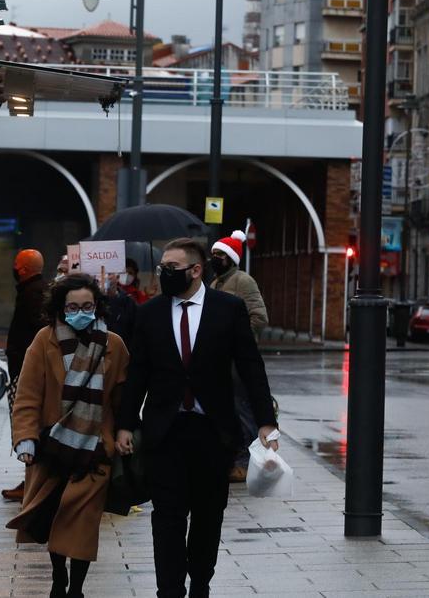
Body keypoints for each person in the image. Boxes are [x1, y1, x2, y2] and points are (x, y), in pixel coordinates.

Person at [116, 238, 278, 598]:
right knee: (167, 517)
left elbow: (251, 367)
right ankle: (169, 590)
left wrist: (266, 422)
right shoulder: (151, 313)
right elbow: (138, 370)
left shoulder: (228, 308)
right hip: (165, 432)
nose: (163, 274)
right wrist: (126, 423)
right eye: (161, 268)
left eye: (170, 268)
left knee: (208, 516)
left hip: (213, 432)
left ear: (195, 270)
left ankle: (200, 581)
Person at [8, 274, 130, 598]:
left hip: (94, 451)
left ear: (97, 306)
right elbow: (28, 396)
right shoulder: (43, 341)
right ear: (61, 308)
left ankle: (76, 588)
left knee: (83, 523)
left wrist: (123, 431)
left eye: (87, 306)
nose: (80, 312)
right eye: (73, 306)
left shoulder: (114, 345)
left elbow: (123, 399)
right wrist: (25, 439)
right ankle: (58, 577)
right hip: (51, 448)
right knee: (55, 519)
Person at [210, 230, 270, 483]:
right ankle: (230, 457)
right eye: (213, 254)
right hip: (218, 359)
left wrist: (236, 338)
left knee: (243, 409)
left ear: (231, 257)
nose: (215, 258)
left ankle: (245, 462)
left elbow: (259, 317)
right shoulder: (214, 284)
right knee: (226, 409)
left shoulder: (243, 281)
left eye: (220, 254)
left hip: (237, 359)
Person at [3, 249, 49, 502]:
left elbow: (36, 333)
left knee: (25, 426)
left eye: (16, 263)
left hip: (25, 376)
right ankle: (31, 480)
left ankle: (31, 482)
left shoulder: (32, 294)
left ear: (22, 269)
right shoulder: (37, 291)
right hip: (25, 373)